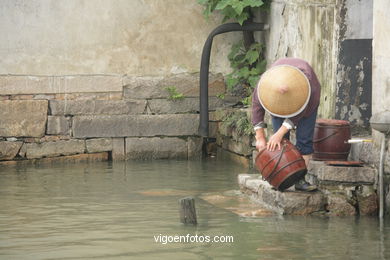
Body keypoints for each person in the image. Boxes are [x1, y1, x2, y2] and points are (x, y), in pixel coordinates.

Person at [252, 57, 320, 192]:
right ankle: (280, 177)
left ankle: (300, 180)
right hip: (276, 101)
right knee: (280, 143)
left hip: (306, 104)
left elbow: (296, 116)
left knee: (304, 139)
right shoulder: (265, 84)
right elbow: (256, 107)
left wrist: (279, 133)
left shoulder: (309, 88)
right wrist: (260, 137)